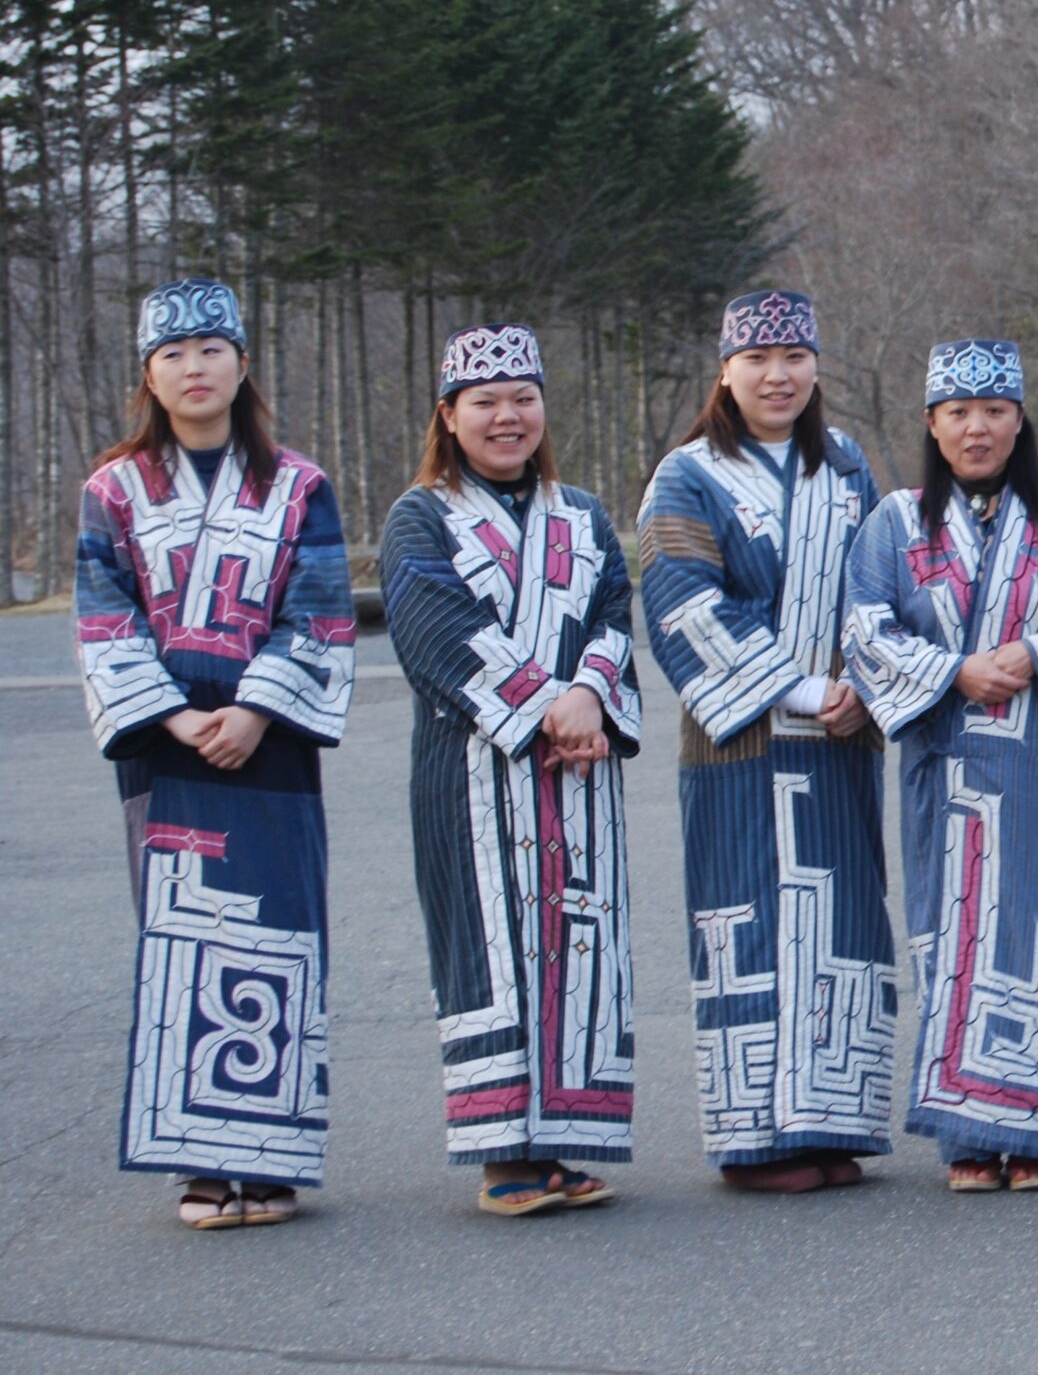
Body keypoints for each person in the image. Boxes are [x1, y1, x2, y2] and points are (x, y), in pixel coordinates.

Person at [77, 279, 354, 1230]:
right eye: (173, 355)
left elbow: (318, 608)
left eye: (211, 350)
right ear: (149, 377)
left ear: (242, 364)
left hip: (267, 745)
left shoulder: (298, 485)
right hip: (167, 748)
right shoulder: (112, 489)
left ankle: (268, 1157)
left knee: (276, 936)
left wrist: (258, 707)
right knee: (182, 938)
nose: (194, 369)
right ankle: (197, 1158)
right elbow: (103, 615)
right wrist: (172, 715)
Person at [380, 323, 641, 1218]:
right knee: (489, 946)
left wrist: (592, 697)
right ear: (448, 416)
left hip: (579, 771)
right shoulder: (421, 516)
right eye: (485, 402)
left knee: (577, 946)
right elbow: (435, 635)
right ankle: (503, 1150)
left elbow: (613, 613)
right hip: (472, 775)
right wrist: (550, 709)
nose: (507, 417)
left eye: (522, 399)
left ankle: (563, 1139)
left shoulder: (585, 514)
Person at [844, 340, 1038, 1193]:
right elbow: (865, 631)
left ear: (1019, 418)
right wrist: (953, 670)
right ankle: (965, 1134)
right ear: (931, 422)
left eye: (994, 410)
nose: (977, 428)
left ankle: (1035, 1131)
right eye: (958, 412)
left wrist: (1033, 653)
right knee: (952, 927)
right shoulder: (894, 520)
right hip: (944, 764)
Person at [637, 289, 889, 1193]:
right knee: (750, 918)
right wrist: (801, 684)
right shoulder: (688, 475)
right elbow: (683, 602)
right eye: (757, 361)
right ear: (726, 372)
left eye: (793, 358)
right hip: (738, 742)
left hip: (840, 737)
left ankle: (833, 1119)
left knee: (841, 918)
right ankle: (757, 1138)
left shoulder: (848, 466)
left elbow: (879, 584)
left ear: (817, 366)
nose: (777, 376)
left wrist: (868, 679)